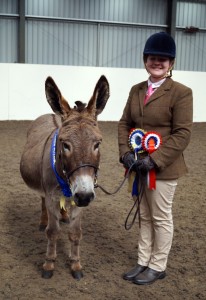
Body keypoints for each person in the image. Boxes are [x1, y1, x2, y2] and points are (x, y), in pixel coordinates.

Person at [118, 32, 193, 285]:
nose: (157, 62)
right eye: (153, 58)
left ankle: (158, 265)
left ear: (171, 63)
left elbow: (182, 133)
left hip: (163, 168)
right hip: (138, 166)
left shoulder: (181, 92)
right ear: (145, 60)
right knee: (144, 216)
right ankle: (143, 260)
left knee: (160, 217)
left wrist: (155, 160)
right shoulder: (136, 90)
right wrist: (126, 154)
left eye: (163, 59)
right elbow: (124, 123)